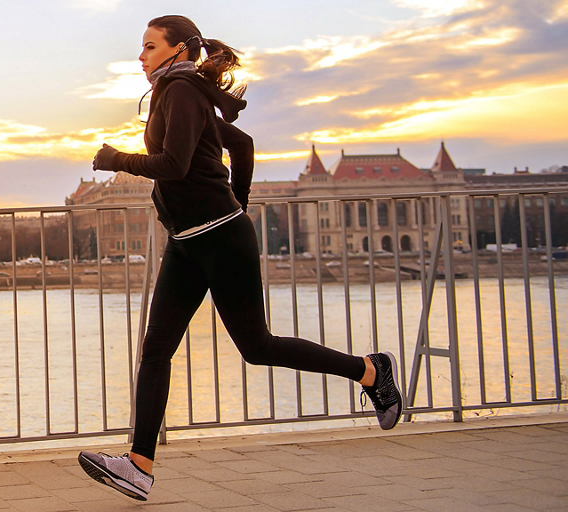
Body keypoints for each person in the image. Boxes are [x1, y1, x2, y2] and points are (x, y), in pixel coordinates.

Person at [76, 15, 403, 502]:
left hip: (219, 239)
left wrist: (116, 159)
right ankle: (140, 464)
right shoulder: (182, 92)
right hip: (190, 240)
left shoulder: (182, 91)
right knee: (156, 349)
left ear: (179, 50)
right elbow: (243, 146)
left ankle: (371, 370)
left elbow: (173, 165)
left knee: (258, 346)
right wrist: (239, 204)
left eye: (148, 47)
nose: (140, 57)